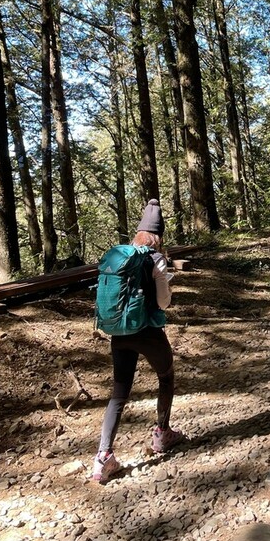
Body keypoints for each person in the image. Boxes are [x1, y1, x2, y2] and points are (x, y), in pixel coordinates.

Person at [92, 199, 184, 483]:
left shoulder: (123, 256)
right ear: (159, 236)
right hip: (147, 332)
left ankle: (103, 457)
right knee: (166, 376)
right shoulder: (155, 258)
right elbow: (163, 303)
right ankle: (162, 433)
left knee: (119, 394)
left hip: (118, 334)